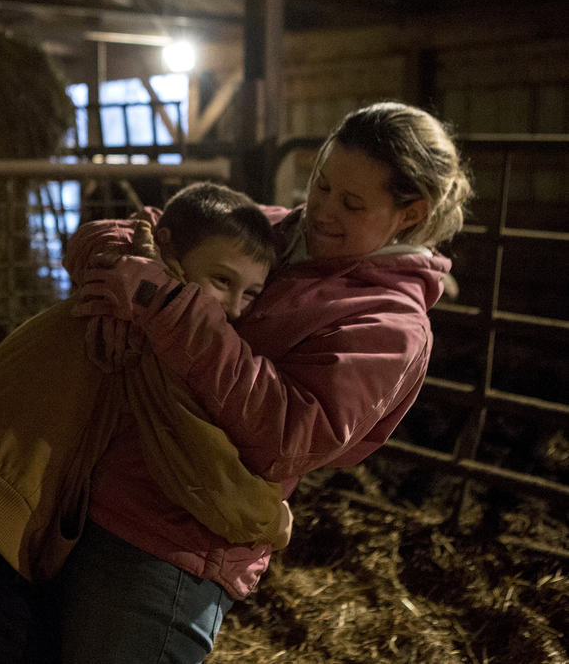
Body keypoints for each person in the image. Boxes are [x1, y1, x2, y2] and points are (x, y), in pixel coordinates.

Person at [56, 101, 474, 664]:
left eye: (351, 203)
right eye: (321, 184)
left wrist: (168, 305)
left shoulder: (387, 324)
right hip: (94, 488)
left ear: (410, 213)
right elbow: (157, 229)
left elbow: (288, 435)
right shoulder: (273, 229)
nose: (321, 210)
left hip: (177, 542)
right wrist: (114, 256)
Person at [0, 182, 292, 664]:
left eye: (251, 294)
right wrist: (273, 520)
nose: (234, 309)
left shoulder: (129, 294)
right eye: (221, 282)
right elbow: (200, 467)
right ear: (169, 251)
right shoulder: (149, 326)